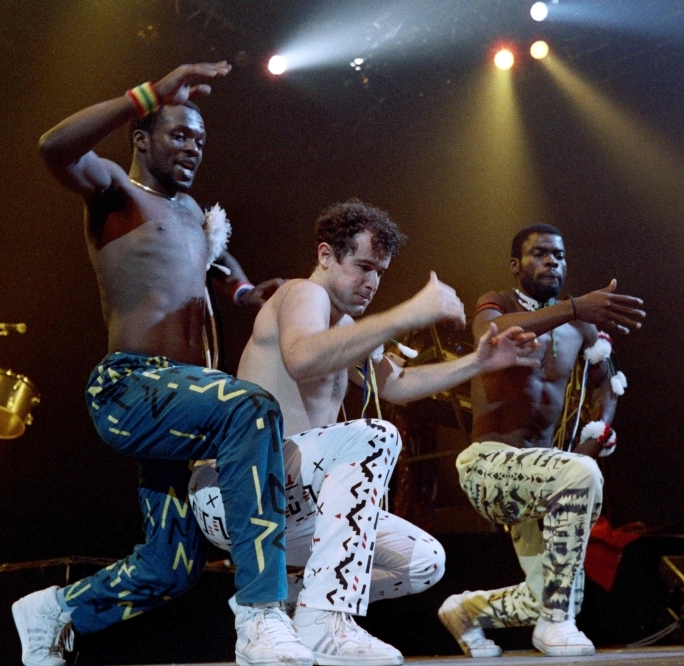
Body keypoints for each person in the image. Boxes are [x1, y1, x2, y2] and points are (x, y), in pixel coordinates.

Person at [11, 62, 309, 666]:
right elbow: (53, 147)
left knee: (171, 563)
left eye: (200, 139)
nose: (193, 147)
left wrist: (250, 294)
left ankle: (53, 609)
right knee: (250, 407)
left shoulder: (193, 213)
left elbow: (220, 268)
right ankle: (259, 615)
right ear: (141, 139)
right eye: (178, 134)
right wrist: (145, 94)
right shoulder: (116, 191)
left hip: (184, 407)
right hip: (130, 389)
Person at [206, 199, 538, 666]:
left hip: (296, 501)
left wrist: (480, 363)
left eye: (380, 271)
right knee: (375, 435)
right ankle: (326, 620)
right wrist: (410, 312)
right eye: (363, 266)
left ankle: (274, 603)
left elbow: (397, 385)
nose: (372, 282)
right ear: (326, 256)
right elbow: (302, 356)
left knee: (424, 561)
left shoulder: (344, 326)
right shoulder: (304, 293)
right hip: (243, 490)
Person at [436, 223, 646, 658]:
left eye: (560, 255)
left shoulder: (581, 329)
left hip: (543, 474)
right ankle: (555, 625)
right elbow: (487, 337)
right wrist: (575, 307)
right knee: (580, 477)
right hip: (487, 466)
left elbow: (608, 385)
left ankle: (468, 611)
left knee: (555, 592)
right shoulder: (497, 305)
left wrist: (596, 435)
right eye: (540, 254)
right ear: (516, 265)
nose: (553, 261)